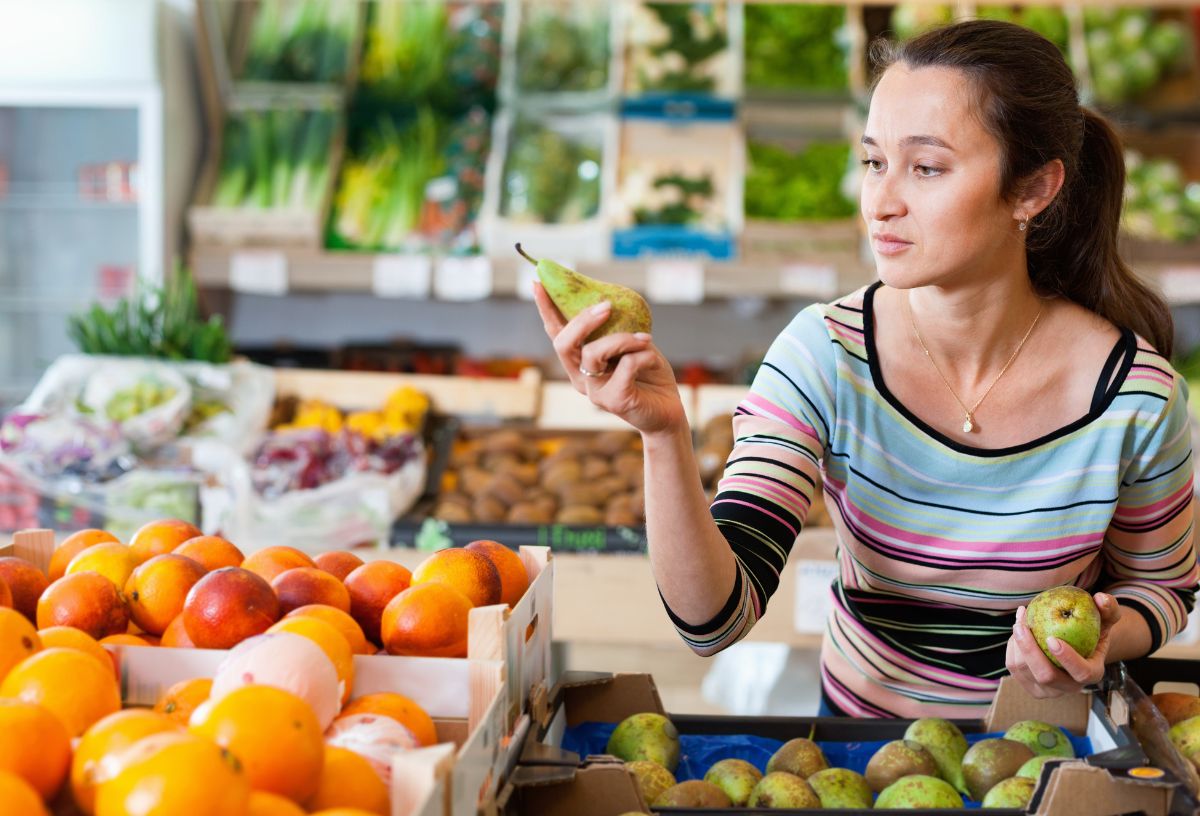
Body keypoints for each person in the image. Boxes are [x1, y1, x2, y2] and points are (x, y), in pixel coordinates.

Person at [534, 19, 1198, 718]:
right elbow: (712, 622)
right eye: (874, 162)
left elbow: (1163, 592)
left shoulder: (1136, 397)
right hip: (859, 757)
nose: (880, 203)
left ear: (1032, 190)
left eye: (927, 168)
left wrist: (1097, 638)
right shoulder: (823, 355)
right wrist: (663, 435)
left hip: (1050, 762)